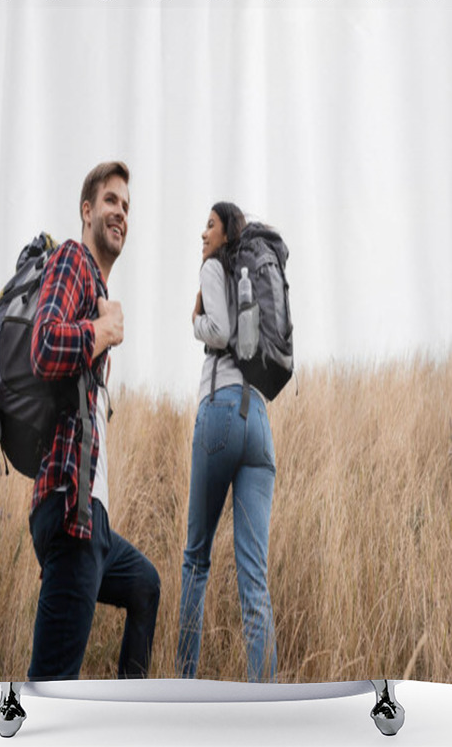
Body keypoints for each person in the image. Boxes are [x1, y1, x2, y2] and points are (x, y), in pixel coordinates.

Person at [27, 161, 160, 681]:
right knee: (51, 690)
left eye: (126, 206)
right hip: (69, 511)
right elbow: (44, 347)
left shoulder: (95, 288)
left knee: (144, 584)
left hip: (92, 520)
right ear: (87, 211)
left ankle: (128, 715)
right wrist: (102, 332)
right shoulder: (71, 261)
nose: (120, 213)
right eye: (110, 201)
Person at [176, 201, 278, 682]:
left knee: (196, 559)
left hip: (220, 410)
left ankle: (184, 683)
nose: (203, 233)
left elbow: (216, 331)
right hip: (258, 420)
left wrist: (193, 320)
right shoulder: (251, 279)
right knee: (254, 579)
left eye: (209, 225)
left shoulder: (215, 267)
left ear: (225, 233)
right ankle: (268, 696)